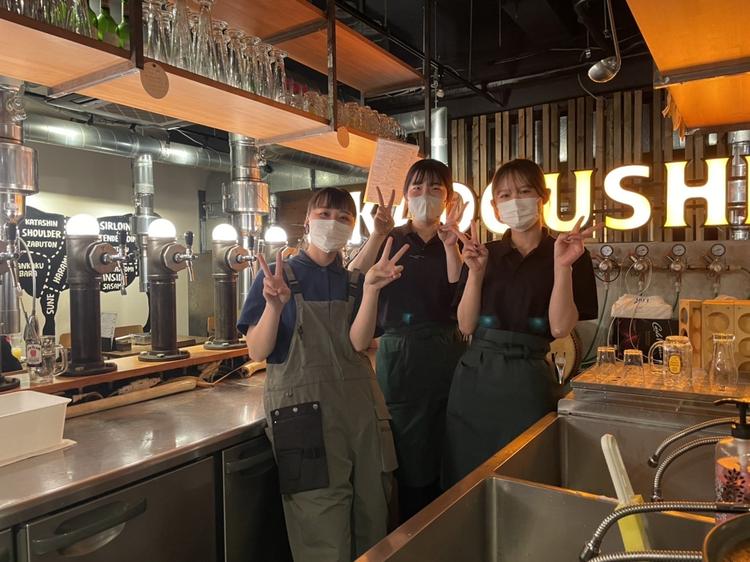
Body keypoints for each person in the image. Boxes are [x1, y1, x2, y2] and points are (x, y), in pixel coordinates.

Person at [239, 187, 409, 562]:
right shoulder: (278, 276)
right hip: (303, 418)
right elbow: (257, 351)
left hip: (361, 413)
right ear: (307, 222)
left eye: (344, 217)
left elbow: (358, 343)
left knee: (372, 518)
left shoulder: (356, 281)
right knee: (320, 529)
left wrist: (371, 291)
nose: (333, 223)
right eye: (324, 215)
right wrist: (273, 306)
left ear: (352, 228)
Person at [443, 158, 599, 487]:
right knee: (466, 477)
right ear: (495, 208)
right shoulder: (482, 253)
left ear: (543, 197)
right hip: (475, 378)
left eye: (524, 191)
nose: (515, 201)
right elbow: (466, 326)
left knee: (525, 473)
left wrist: (563, 267)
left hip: (528, 379)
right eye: (504, 195)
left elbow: (560, 328)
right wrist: (476, 273)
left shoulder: (570, 252)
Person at [349, 159, 466, 521]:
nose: (425, 194)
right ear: (405, 196)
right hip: (400, 356)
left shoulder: (458, 241)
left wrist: (452, 243)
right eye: (417, 188)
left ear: (448, 198)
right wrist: (376, 235)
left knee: (449, 444)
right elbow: (353, 278)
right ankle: (409, 531)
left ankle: (444, 526)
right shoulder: (391, 237)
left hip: (449, 352)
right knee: (406, 450)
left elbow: (460, 296)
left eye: (435, 188)